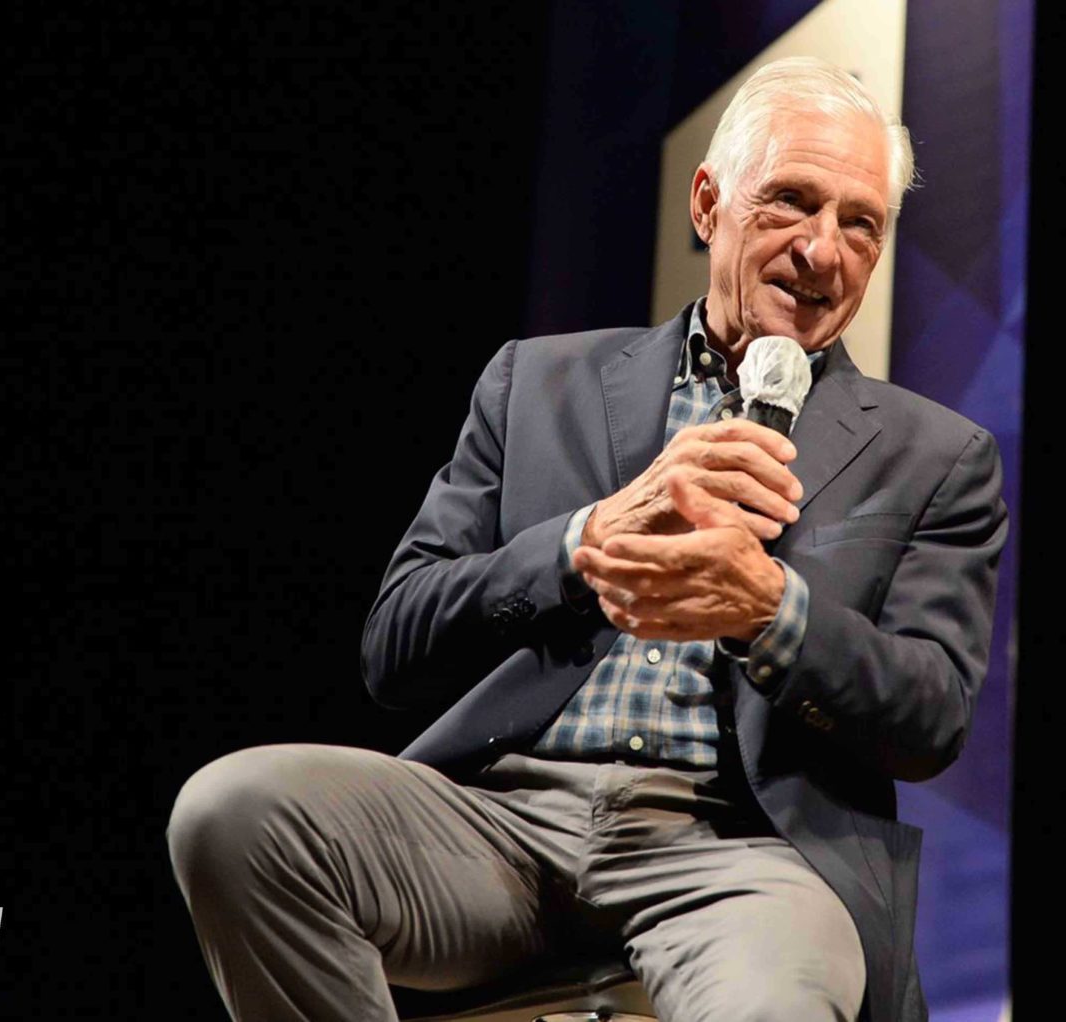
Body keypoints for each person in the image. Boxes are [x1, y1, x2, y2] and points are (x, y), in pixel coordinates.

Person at [167, 56, 1007, 1022]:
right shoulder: (536, 383)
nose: (823, 250)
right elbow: (396, 642)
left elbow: (931, 713)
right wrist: (581, 543)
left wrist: (774, 614)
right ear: (708, 204)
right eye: (791, 201)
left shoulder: (935, 455)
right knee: (234, 814)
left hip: (740, 856)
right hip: (498, 824)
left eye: (860, 224)